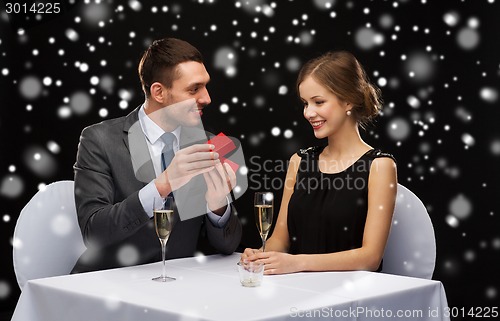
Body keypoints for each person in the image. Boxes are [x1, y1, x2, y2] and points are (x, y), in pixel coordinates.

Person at [72, 37, 242, 273]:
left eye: (205, 86)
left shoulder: (208, 143)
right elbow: (94, 233)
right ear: (159, 92)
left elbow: (228, 245)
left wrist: (217, 207)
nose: (206, 98)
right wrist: (162, 185)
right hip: (109, 286)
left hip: (177, 289)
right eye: (194, 89)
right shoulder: (99, 140)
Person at [241, 51, 397, 274]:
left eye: (318, 102)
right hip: (299, 290)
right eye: (305, 103)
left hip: (353, 297)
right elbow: (280, 241)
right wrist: (260, 254)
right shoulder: (299, 161)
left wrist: (298, 263)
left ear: (348, 100)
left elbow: (370, 257)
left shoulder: (380, 166)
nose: (308, 113)